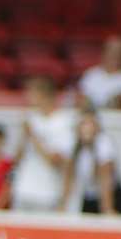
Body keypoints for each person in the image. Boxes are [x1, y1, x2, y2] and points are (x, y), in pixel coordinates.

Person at [10, 76, 73, 213]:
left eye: (32, 93)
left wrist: (33, 135)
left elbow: (55, 160)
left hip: (46, 193)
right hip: (23, 189)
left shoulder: (63, 122)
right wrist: (24, 135)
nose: (28, 98)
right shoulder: (31, 118)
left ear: (45, 95)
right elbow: (17, 159)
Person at [62, 107, 121, 215]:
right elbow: (69, 177)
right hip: (89, 193)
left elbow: (106, 179)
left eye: (90, 124)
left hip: (110, 194)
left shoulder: (104, 144)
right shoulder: (73, 144)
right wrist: (63, 205)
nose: (87, 129)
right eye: (83, 124)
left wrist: (107, 208)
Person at [77, 35, 121, 110]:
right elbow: (81, 99)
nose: (115, 54)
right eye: (111, 50)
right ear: (104, 52)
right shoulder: (91, 74)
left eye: (119, 51)